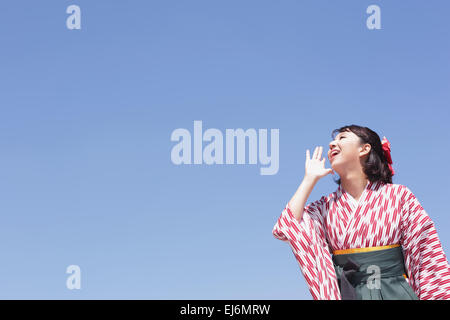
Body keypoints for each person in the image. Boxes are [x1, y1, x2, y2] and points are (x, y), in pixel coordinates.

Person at [272, 124, 450, 300]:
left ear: (364, 149)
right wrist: (309, 179)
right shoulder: (324, 206)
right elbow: (286, 227)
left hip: (394, 292)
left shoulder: (398, 195)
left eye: (342, 138)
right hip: (348, 293)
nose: (332, 144)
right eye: (333, 141)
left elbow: (426, 252)